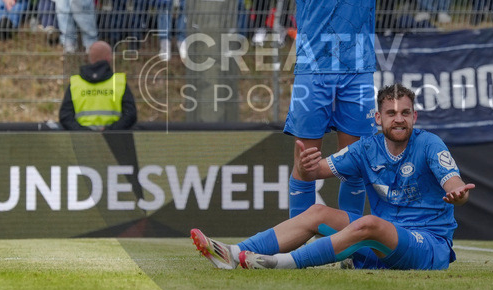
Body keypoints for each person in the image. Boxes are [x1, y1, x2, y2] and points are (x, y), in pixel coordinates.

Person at [161, 0, 493, 226]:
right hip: (312, 69)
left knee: (353, 163)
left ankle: (347, 246)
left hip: (357, 71)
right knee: (306, 161)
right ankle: (296, 241)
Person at [190, 83, 474, 271]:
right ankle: (233, 253)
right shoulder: (366, 148)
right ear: (378, 118)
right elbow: (315, 171)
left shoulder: (429, 144)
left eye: (405, 113)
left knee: (370, 224)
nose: (398, 118)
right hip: (383, 243)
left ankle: (279, 263)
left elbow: (455, 185)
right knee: (317, 212)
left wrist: (458, 194)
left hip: (427, 245)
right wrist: (305, 165)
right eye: (391, 113)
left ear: (415, 117)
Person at [59, 40, 137, 131]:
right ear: (109, 57)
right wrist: (110, 131)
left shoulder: (75, 83)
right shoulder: (119, 82)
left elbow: (65, 116)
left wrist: (84, 133)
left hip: (83, 141)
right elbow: (130, 115)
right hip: (115, 140)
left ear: (90, 58)